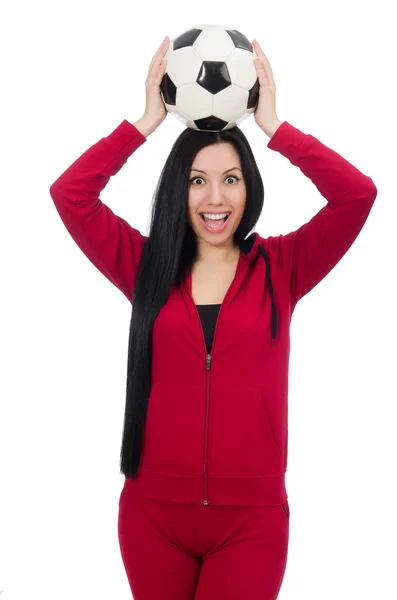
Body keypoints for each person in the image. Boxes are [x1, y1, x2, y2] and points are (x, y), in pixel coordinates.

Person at [49, 35, 377, 600]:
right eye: (197, 180)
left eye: (231, 178)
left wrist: (275, 127)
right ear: (179, 190)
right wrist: (146, 121)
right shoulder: (145, 266)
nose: (214, 198)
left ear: (249, 187)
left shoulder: (285, 267)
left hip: (251, 521)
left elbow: (357, 195)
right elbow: (70, 194)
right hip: (153, 514)